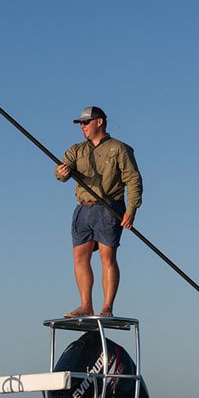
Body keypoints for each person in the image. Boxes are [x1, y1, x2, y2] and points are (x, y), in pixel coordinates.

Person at [54, 106, 142, 318]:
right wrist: (61, 171)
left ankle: (107, 307)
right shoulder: (76, 150)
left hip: (110, 207)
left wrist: (131, 210)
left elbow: (133, 180)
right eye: (81, 124)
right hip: (83, 208)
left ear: (99, 122)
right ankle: (86, 305)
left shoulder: (119, 149)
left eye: (86, 122)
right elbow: (61, 175)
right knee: (79, 256)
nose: (83, 127)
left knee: (107, 257)